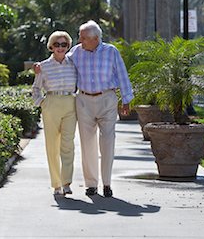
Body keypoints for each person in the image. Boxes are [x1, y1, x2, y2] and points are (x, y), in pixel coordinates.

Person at [34, 20, 133, 197]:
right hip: (84, 101)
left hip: (107, 99)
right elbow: (59, 59)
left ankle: (107, 183)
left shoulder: (111, 52)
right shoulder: (76, 53)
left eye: (83, 38)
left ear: (95, 38)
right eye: (80, 37)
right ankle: (91, 184)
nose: (79, 41)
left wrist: (126, 100)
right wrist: (40, 67)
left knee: (108, 141)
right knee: (87, 144)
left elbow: (122, 74)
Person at [32, 31, 77, 196]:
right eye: (57, 44)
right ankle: (56, 184)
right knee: (52, 146)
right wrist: (42, 103)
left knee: (68, 145)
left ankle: (66, 182)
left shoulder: (73, 64)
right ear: (51, 46)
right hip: (51, 104)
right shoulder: (43, 66)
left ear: (68, 46)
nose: (60, 47)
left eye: (64, 44)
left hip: (70, 104)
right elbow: (36, 88)